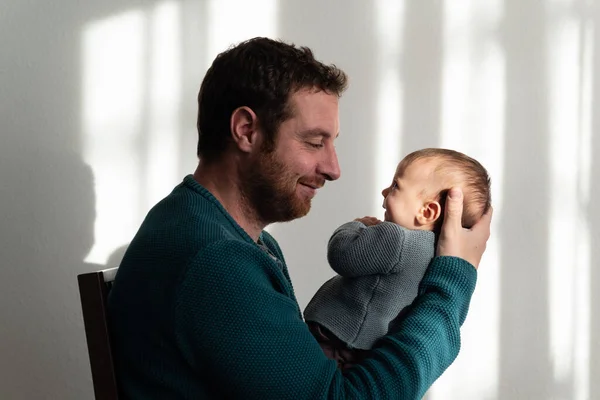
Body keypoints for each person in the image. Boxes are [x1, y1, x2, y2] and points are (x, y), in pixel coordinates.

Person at [107, 37, 492, 399]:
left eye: (333, 142)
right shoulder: (216, 261)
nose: (333, 167)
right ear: (246, 130)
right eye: (314, 142)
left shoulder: (216, 230)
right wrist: (455, 278)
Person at [304, 148, 492, 370]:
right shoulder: (439, 258)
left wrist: (356, 225)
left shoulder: (397, 239)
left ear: (427, 212)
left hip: (334, 336)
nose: (384, 192)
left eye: (396, 186)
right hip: (370, 350)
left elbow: (342, 253)